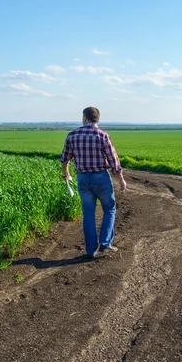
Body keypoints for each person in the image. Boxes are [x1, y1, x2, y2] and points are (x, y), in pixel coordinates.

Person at [60, 106, 127, 257]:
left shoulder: (72, 135)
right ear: (97, 119)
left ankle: (91, 250)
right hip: (101, 177)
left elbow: (64, 159)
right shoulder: (102, 135)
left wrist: (66, 173)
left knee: (88, 214)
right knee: (109, 209)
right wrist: (121, 180)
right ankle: (105, 243)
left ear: (85, 118)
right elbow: (113, 160)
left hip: (82, 178)